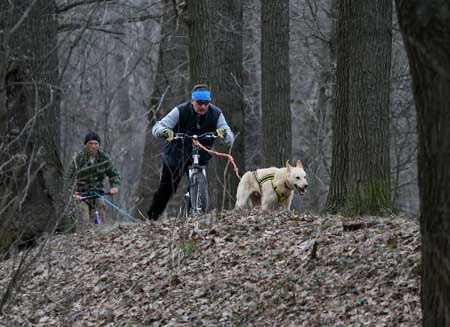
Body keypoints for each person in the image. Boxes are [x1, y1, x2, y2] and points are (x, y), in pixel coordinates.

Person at [147, 84, 234, 220]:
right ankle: (152, 218)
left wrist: (224, 134)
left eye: (206, 103)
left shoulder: (216, 114)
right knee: (167, 190)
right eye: (199, 103)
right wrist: (165, 132)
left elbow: (229, 135)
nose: (203, 107)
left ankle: (191, 216)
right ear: (192, 101)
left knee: (198, 186)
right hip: (176, 155)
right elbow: (157, 127)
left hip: (200, 155)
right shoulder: (180, 111)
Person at [65, 132, 121, 227]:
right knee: (84, 219)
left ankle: (101, 236)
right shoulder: (78, 159)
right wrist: (73, 194)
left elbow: (114, 174)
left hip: (98, 194)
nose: (93, 146)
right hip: (81, 196)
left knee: (101, 212)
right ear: (86, 145)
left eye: (96, 144)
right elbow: (67, 179)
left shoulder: (104, 158)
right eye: (90, 144)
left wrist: (114, 187)